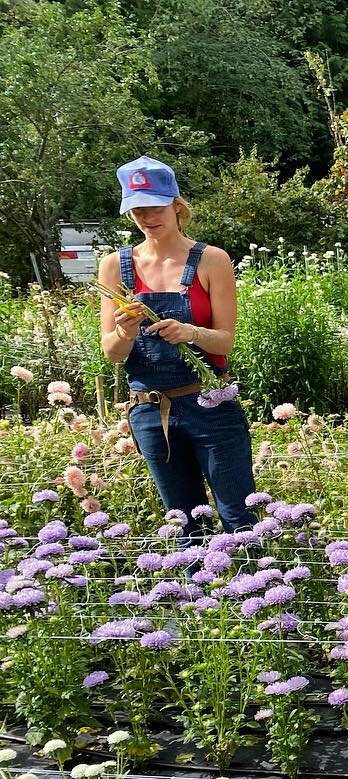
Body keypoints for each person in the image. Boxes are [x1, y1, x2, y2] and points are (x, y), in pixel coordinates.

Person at [98, 155, 257, 534]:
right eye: (137, 211)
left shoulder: (211, 260)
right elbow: (112, 354)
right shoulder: (114, 266)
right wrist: (125, 331)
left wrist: (191, 333)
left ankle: (256, 585)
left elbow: (226, 340)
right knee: (185, 523)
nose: (147, 218)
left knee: (240, 519)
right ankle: (194, 593)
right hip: (150, 411)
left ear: (176, 204)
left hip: (210, 404)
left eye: (155, 207)